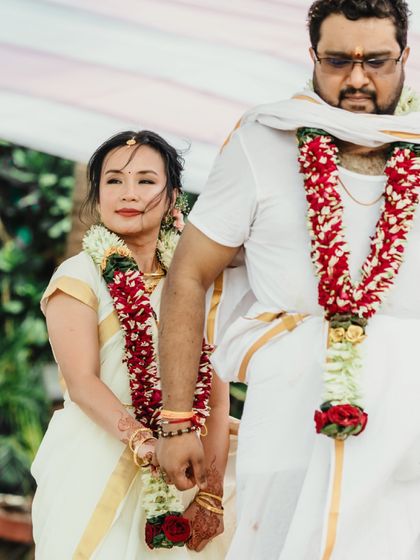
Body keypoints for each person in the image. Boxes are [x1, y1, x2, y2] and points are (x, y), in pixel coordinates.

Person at [156, 1, 420, 559]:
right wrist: (179, 421)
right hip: (288, 417)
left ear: (405, 55)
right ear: (311, 57)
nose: (356, 78)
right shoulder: (264, 137)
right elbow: (188, 274)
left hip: (409, 427)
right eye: (336, 60)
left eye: (376, 60)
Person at [31, 130, 237, 559]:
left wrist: (211, 494)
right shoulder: (77, 277)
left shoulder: (198, 282)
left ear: (173, 196)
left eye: (145, 181)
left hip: (185, 470)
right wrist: (147, 445)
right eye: (113, 181)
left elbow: (218, 401)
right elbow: (83, 383)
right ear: (97, 193)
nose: (128, 193)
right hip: (93, 465)